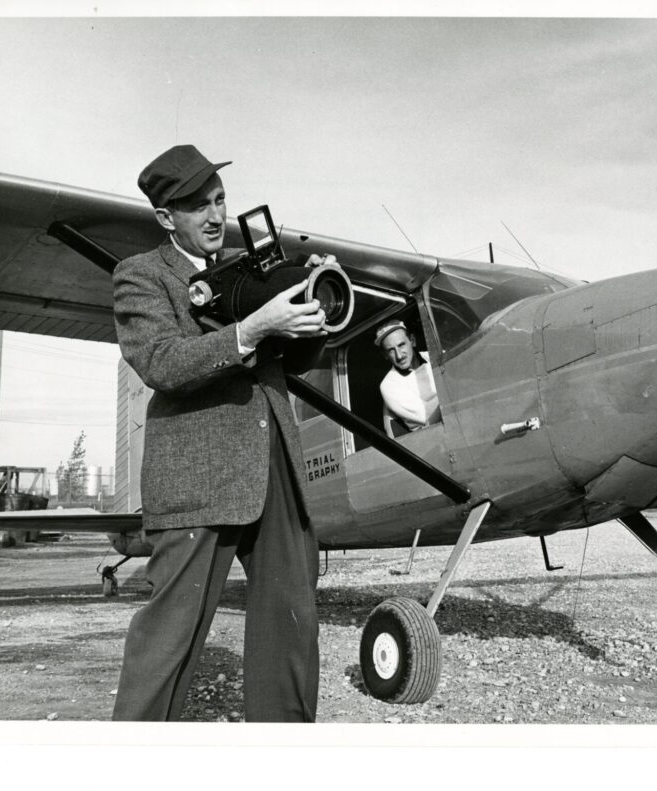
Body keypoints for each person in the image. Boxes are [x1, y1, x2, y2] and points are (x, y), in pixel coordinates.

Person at [110, 144, 328, 722]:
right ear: (165, 218)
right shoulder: (142, 275)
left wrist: (312, 312)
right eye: (196, 206)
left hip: (274, 456)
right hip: (198, 471)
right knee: (171, 637)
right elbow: (160, 362)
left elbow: (296, 362)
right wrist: (252, 329)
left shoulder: (248, 266)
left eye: (219, 200)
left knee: (291, 622)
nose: (214, 216)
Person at [374, 319, 441, 435]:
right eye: (391, 350)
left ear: (412, 341)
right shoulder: (389, 385)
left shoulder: (435, 356)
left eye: (401, 345)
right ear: (385, 355)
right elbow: (428, 415)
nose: (399, 355)